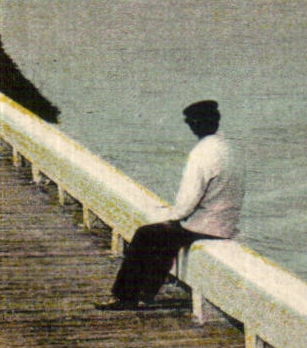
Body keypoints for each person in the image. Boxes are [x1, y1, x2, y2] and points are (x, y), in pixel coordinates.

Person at [98, 100, 243, 311]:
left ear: (194, 125)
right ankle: (146, 294)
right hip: (225, 224)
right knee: (165, 237)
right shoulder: (229, 149)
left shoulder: (202, 153)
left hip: (204, 226)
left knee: (146, 234)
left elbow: (188, 201)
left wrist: (171, 215)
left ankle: (126, 297)